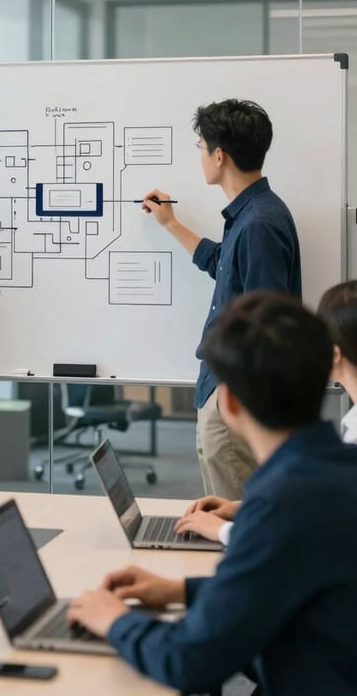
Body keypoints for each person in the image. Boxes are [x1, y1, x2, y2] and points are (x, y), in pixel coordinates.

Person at [68, 292, 357, 696]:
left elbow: (189, 662)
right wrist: (181, 591)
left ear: (227, 401)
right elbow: (281, 584)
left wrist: (113, 620)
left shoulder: (284, 503)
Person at [142, 99, 301, 500]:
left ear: (219, 155)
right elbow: (222, 264)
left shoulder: (259, 224)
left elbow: (269, 324)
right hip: (227, 392)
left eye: (200, 147)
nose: (200, 156)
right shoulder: (251, 216)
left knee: (239, 521)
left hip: (236, 395)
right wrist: (172, 225)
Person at [180, 279, 357, 544]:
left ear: (333, 354)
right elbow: (324, 503)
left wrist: (220, 530)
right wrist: (241, 508)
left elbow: (315, 532)